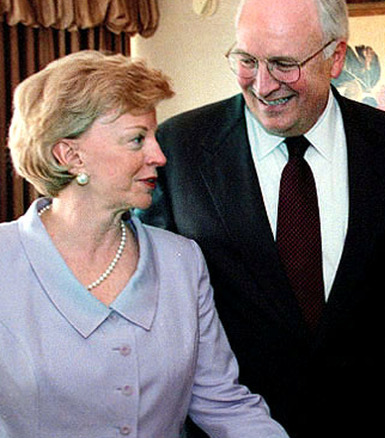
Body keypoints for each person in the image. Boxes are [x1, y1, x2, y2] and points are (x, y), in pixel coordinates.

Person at [137, 0, 385, 436]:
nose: (264, 85)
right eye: (247, 61)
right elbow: (157, 311)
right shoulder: (180, 149)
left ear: (336, 58)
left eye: (284, 64)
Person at [0, 51, 288, 437]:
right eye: (137, 139)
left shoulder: (181, 260)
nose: (159, 155)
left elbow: (223, 404)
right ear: (70, 155)